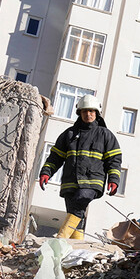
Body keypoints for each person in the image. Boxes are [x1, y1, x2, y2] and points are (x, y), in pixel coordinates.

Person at [39, 95, 122, 238]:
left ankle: (60, 239)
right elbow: (55, 157)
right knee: (76, 214)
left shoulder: (105, 135)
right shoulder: (69, 134)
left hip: (92, 182)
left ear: (96, 113)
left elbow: (114, 160)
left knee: (79, 203)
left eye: (91, 111)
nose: (88, 114)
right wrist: (46, 172)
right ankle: (75, 249)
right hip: (70, 183)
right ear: (79, 113)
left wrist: (114, 179)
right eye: (84, 111)